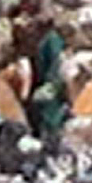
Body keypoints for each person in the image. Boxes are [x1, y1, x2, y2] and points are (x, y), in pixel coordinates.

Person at [26, 13, 71, 148]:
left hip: (50, 93)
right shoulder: (48, 41)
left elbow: (53, 67)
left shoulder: (51, 41)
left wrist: (49, 85)